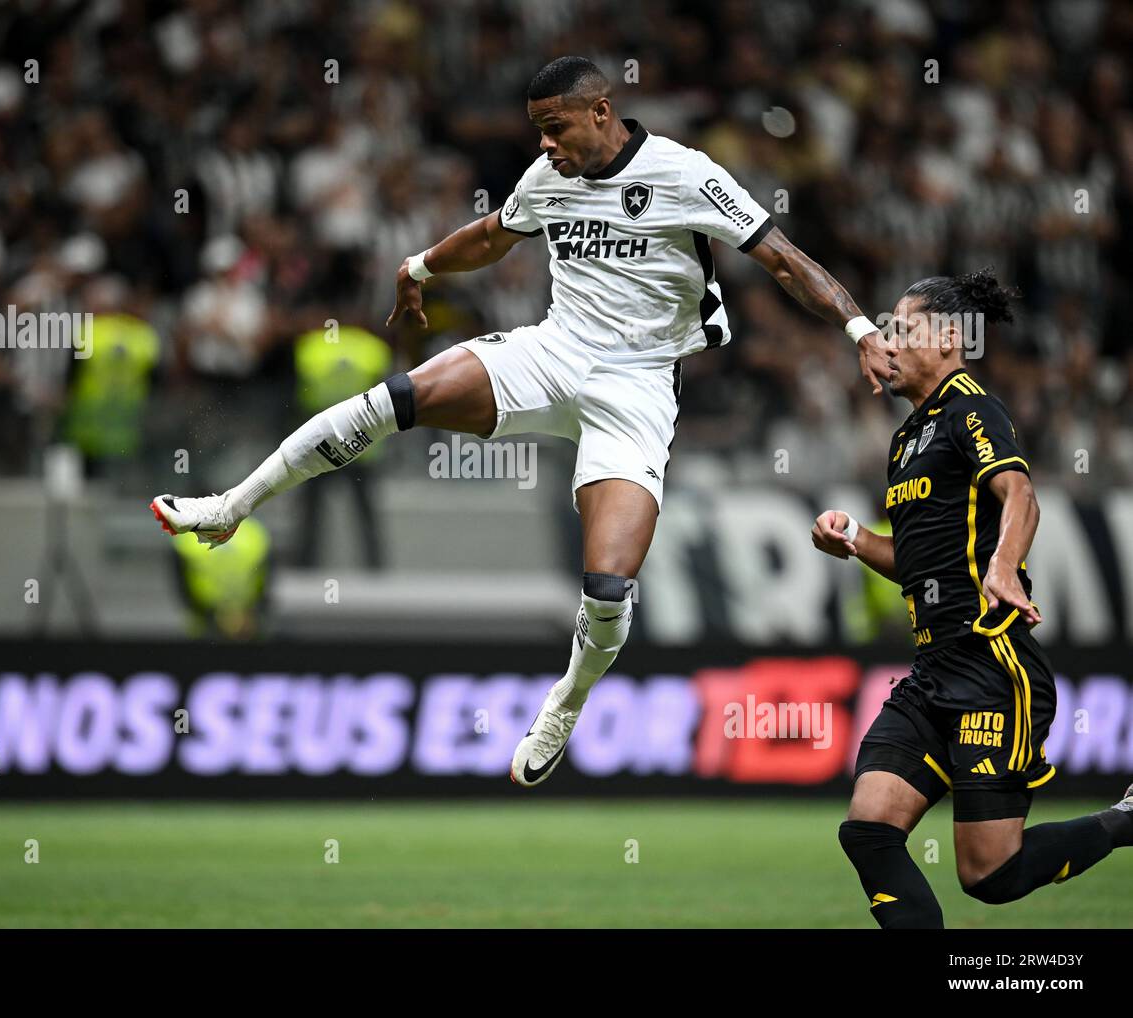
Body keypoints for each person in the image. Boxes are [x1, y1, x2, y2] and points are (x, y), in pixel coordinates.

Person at [152, 56, 891, 786]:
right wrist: (419, 268)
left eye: (554, 127)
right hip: (553, 351)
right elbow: (492, 235)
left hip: (636, 390)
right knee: (393, 400)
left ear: (600, 113)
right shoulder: (549, 179)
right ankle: (229, 507)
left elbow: (786, 261)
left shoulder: (684, 173)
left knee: (606, 589)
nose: (544, 144)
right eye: (537, 130)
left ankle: (566, 702)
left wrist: (861, 331)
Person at [811, 269, 1132, 928]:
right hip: (931, 673)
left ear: (949, 337)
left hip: (991, 667)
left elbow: (1020, 493)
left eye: (902, 328)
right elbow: (915, 564)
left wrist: (1005, 566)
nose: (887, 342)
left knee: (990, 874)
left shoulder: (970, 408)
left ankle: (1124, 821)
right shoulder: (905, 440)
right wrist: (855, 541)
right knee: (867, 828)